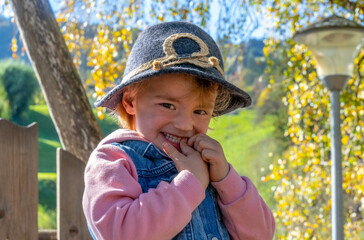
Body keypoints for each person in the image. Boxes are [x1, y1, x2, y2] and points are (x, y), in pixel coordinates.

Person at [82, 21, 275, 240]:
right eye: (168, 106)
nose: (185, 125)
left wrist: (227, 178)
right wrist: (190, 184)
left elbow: (262, 234)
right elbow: (120, 232)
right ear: (130, 102)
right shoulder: (114, 161)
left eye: (200, 111)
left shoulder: (208, 164)